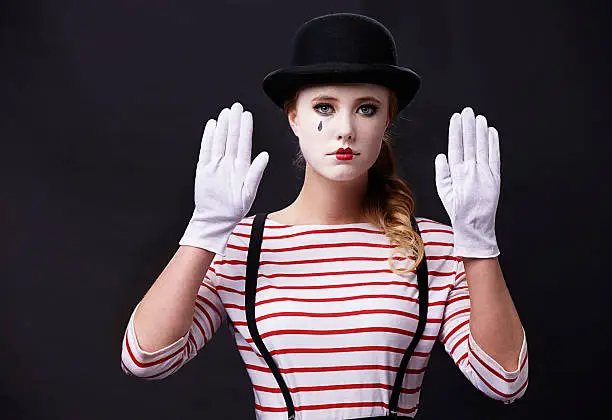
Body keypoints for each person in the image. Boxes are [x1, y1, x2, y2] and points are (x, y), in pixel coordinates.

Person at [120, 13, 528, 419]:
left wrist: (478, 242)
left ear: (387, 119)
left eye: (366, 108)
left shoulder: (434, 248)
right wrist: (205, 229)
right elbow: (145, 359)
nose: (346, 129)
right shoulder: (244, 246)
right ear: (293, 116)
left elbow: (505, 381)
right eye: (325, 107)